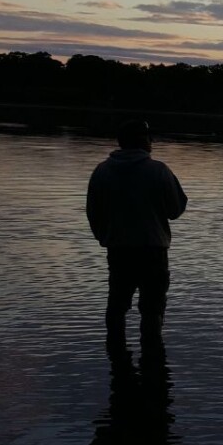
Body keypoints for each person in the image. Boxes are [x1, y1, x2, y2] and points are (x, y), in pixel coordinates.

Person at [87, 120, 188, 354]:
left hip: (119, 249)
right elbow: (176, 210)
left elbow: (93, 211)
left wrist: (105, 237)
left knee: (117, 306)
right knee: (153, 308)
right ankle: (152, 360)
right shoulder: (159, 170)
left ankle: (117, 358)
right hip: (153, 250)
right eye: (148, 137)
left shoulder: (102, 171)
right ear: (142, 141)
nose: (152, 142)